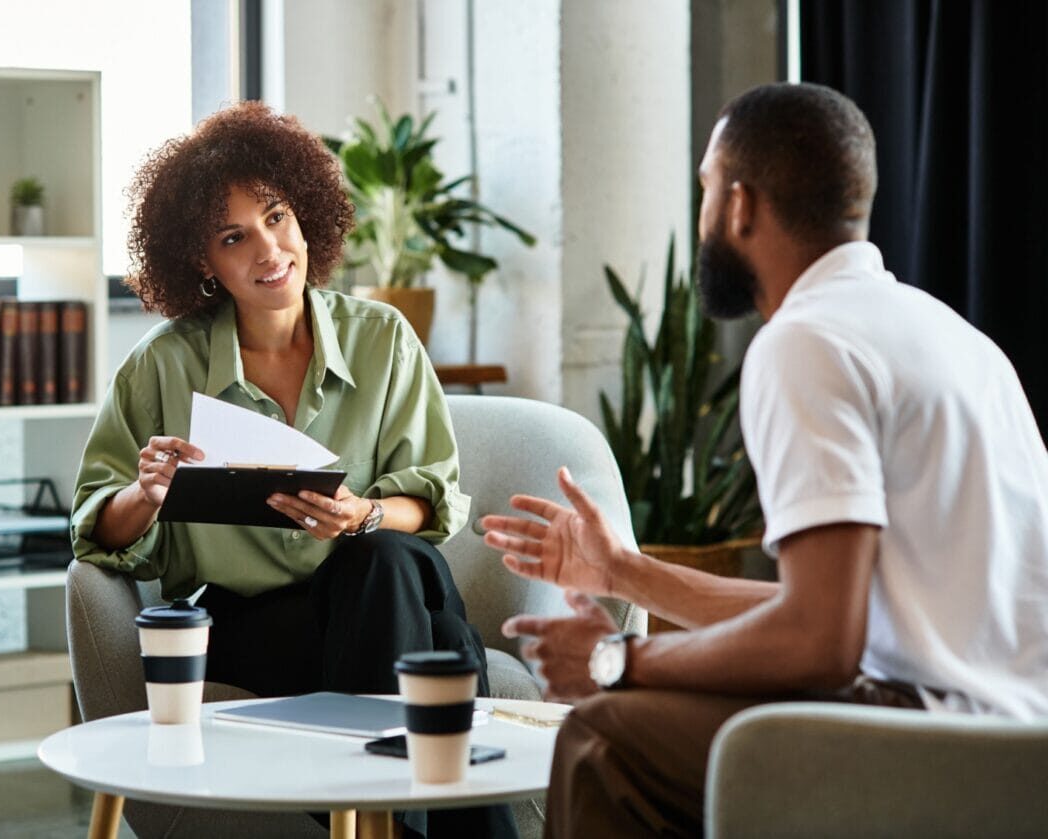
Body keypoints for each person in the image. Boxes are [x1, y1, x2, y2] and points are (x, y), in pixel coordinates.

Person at [482, 82, 1048, 837]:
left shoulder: (806, 343)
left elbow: (818, 643)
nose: (705, 209)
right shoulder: (952, 337)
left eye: (708, 189)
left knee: (604, 736)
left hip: (937, 740)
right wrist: (624, 572)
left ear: (741, 205)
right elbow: (841, 614)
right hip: (1020, 739)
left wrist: (619, 661)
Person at [70, 100, 515, 838]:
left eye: (277, 216)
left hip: (375, 588)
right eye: (233, 236)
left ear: (306, 213)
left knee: (381, 557)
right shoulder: (162, 366)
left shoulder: (382, 339)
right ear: (202, 261)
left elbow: (432, 498)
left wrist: (363, 512)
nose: (268, 249)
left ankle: (373, 818)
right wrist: (146, 493)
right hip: (253, 622)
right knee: (438, 637)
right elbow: (94, 530)